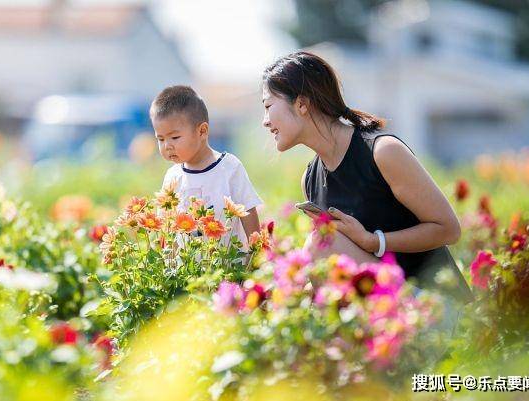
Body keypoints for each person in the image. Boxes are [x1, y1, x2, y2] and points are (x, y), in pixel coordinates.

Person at [261, 51, 472, 303]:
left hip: (435, 307)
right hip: (382, 318)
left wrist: (374, 241)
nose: (265, 121)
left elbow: (449, 229)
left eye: (268, 106)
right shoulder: (311, 178)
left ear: (302, 104)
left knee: (324, 241)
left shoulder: (383, 152)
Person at [151, 85, 262, 249]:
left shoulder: (229, 168)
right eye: (160, 139)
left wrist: (256, 255)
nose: (167, 145)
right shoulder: (172, 177)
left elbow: (248, 213)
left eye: (174, 137)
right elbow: (166, 228)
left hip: (229, 267)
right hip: (186, 271)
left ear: (202, 131)